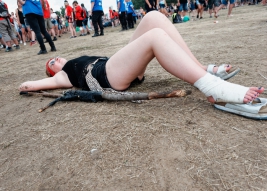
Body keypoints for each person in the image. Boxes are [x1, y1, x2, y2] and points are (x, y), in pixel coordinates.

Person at [19, 11, 266, 118]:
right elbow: (28, 85)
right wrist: (31, 83)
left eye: (54, 58)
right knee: (155, 38)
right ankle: (211, 87)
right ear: (52, 70)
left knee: (154, 18)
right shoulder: (60, 77)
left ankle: (201, 68)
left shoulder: (72, 61)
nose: (57, 60)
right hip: (107, 76)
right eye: (52, 63)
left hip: (114, 65)